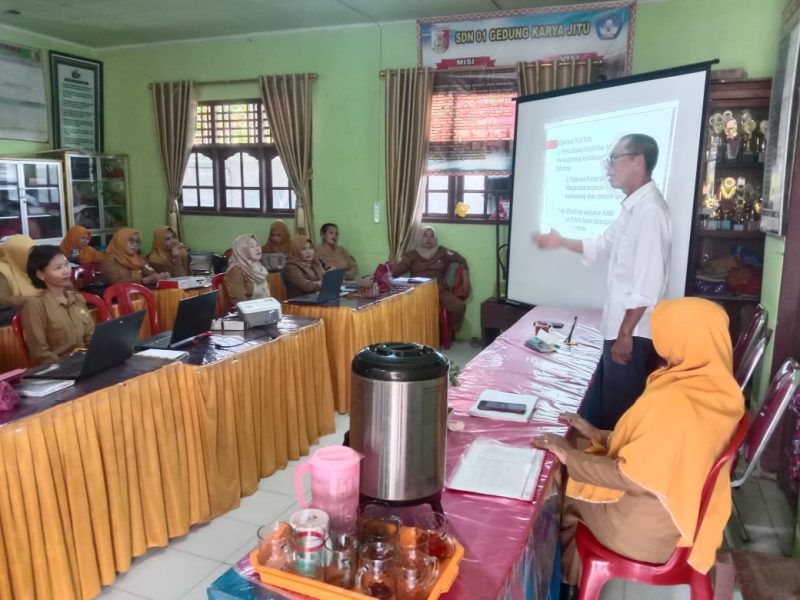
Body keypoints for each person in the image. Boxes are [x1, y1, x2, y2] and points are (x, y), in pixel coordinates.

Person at [533, 297, 744, 596]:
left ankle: (563, 583)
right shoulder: (718, 390)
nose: (660, 342)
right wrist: (594, 432)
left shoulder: (676, 401)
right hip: (674, 512)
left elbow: (630, 474)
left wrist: (569, 457)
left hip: (645, 530)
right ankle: (570, 575)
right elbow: (657, 448)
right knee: (575, 446)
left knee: (557, 478)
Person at [535, 134, 671, 430]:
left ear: (638, 161)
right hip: (621, 327)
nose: (608, 167)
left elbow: (648, 284)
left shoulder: (650, 211)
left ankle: (609, 472)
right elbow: (600, 244)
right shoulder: (632, 209)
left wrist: (625, 334)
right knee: (606, 406)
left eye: (614, 159)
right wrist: (560, 241)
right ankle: (595, 463)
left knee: (619, 415)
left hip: (633, 332)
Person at [21, 245, 95, 365]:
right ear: (40, 275)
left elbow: (90, 337)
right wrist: (65, 368)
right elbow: (40, 353)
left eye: (66, 264)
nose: (66, 271)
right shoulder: (35, 305)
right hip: (58, 370)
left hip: (84, 363)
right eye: (58, 268)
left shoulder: (77, 298)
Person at [393, 226, 470, 333]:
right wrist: (386, 272)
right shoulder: (411, 255)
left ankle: (446, 333)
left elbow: (461, 260)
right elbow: (398, 270)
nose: (428, 238)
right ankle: (418, 334)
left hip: (440, 290)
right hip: (418, 291)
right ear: (419, 237)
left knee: (459, 306)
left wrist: (465, 278)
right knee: (401, 309)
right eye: (425, 235)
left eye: (431, 235)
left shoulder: (443, 252)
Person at [100, 228, 168, 285]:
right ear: (120, 241)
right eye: (131, 241)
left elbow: (150, 272)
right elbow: (117, 283)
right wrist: (145, 281)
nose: (135, 244)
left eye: (137, 242)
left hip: (141, 296)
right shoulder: (109, 261)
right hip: (118, 299)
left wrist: (161, 276)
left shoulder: (140, 259)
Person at [224, 233, 270, 306]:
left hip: (266, 308)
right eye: (252, 246)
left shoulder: (259, 267)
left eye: (258, 245)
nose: (257, 249)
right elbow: (240, 303)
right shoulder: (235, 271)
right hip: (249, 313)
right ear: (242, 250)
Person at [0, 234, 38, 309]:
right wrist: (39, 300)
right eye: (29, 254)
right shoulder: (2, 272)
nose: (34, 257)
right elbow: (2, 299)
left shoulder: (33, 266)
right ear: (16, 254)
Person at [284, 235, 325, 299]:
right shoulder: (291, 267)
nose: (308, 252)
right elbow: (307, 287)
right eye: (304, 249)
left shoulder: (315, 262)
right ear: (296, 250)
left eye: (310, 248)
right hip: (300, 302)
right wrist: (322, 283)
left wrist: (318, 283)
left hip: (317, 297)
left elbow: (326, 278)